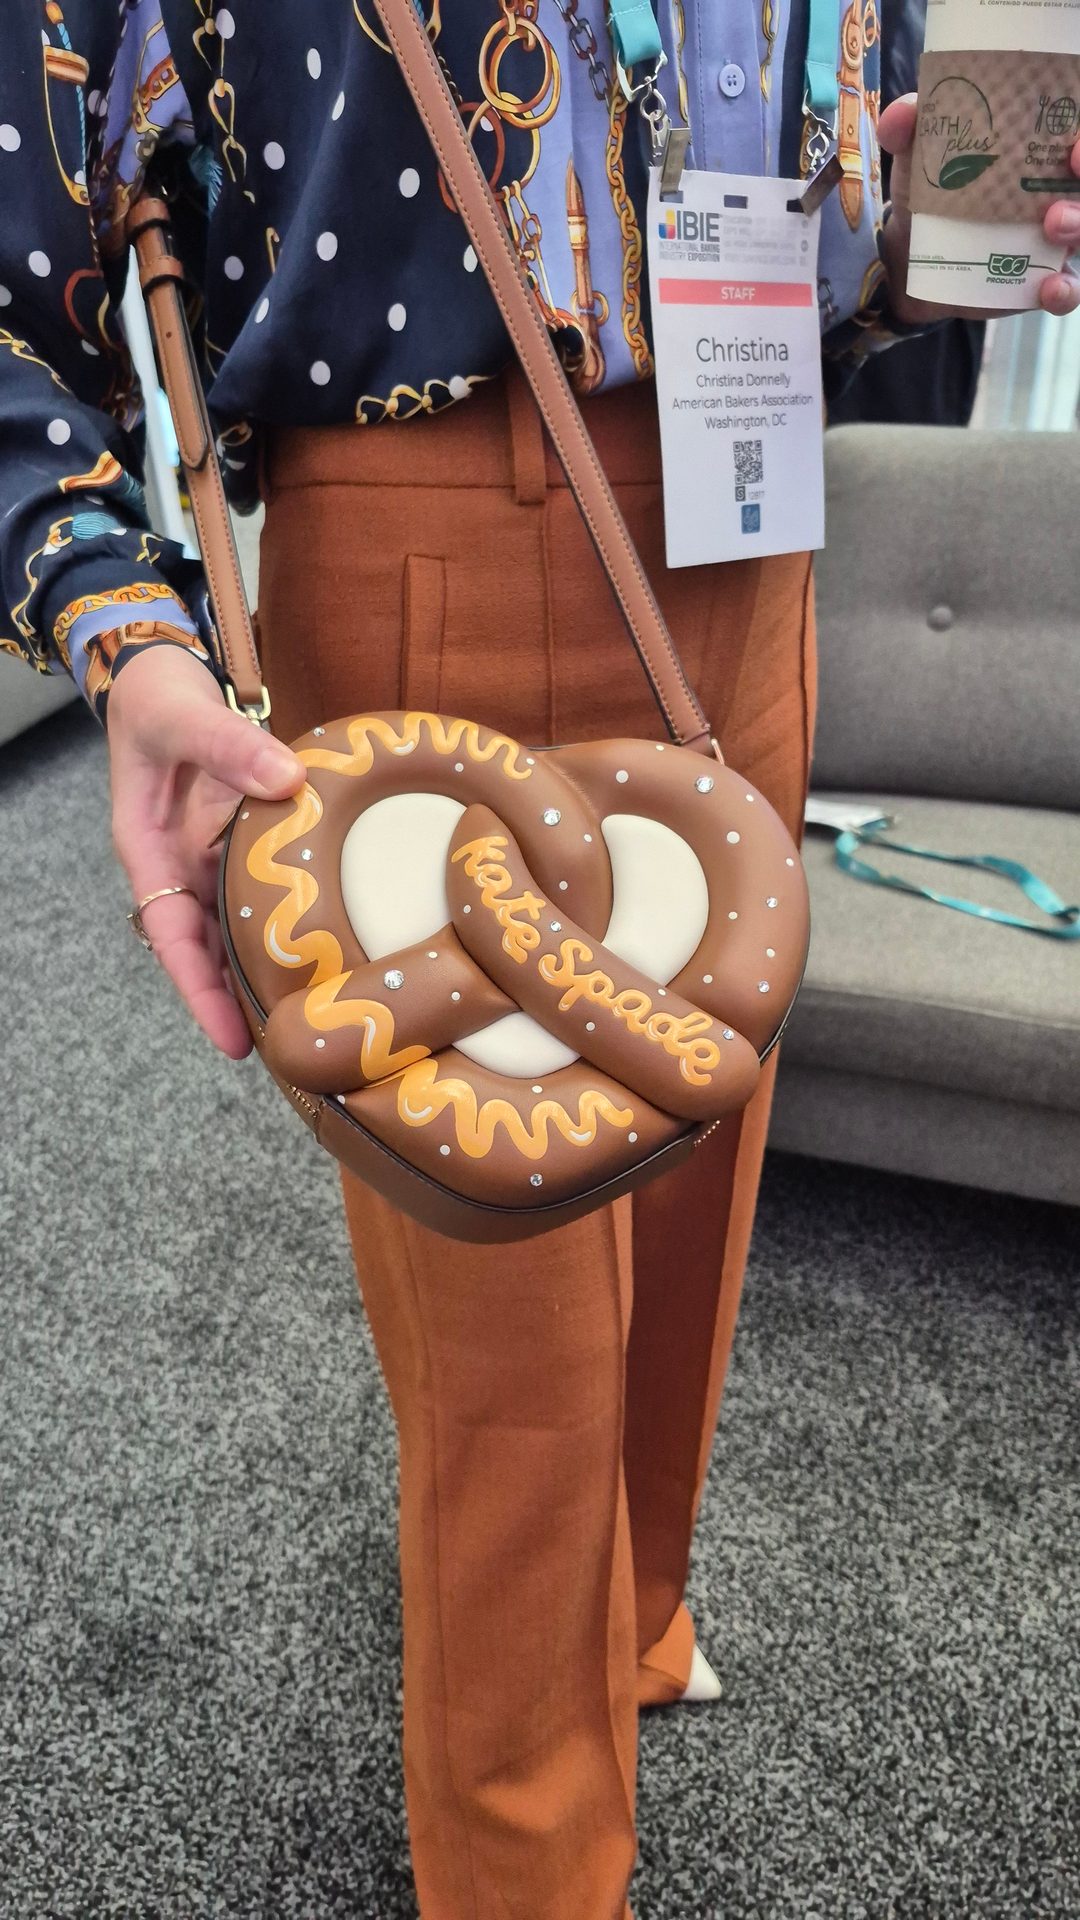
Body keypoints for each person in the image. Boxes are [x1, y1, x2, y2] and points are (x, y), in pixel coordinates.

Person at [3, 6, 1077, 1915]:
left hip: (757, 506)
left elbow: (786, 191)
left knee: (698, 1157)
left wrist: (909, 248)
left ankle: (636, 1618)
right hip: (431, 522)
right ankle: (525, 1871)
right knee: (508, 1328)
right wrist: (115, 611)